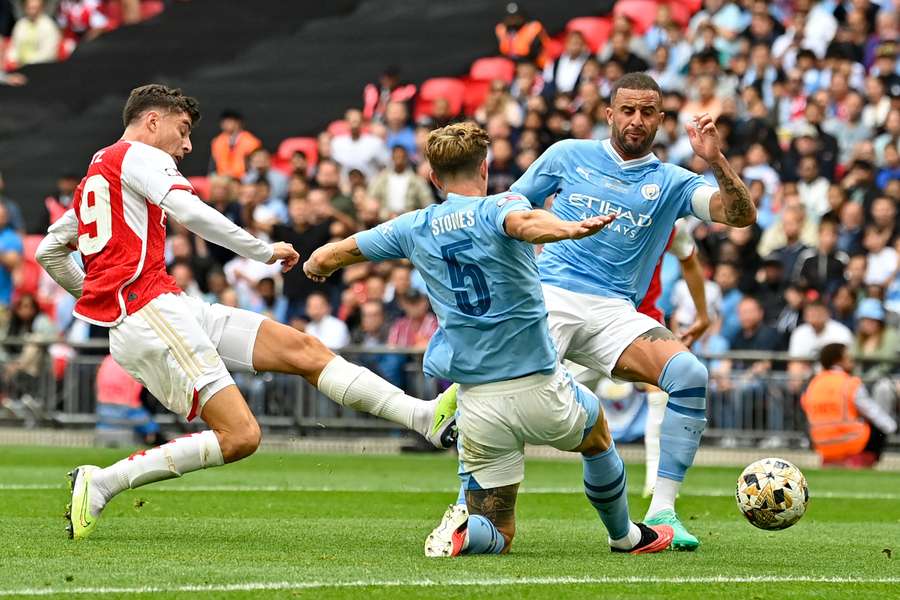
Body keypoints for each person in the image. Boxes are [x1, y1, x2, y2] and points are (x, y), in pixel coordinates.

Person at [34, 84, 457, 541]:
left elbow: (50, 251)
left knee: (302, 349)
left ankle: (423, 417)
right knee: (241, 437)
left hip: (165, 306)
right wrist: (261, 251)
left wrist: (102, 296)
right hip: (150, 311)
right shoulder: (138, 155)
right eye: (183, 129)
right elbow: (188, 210)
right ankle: (103, 482)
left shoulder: (98, 174)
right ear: (152, 121)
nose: (188, 145)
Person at [304, 121, 673, 556]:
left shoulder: (411, 225)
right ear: (485, 167)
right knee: (596, 433)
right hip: (539, 387)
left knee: (499, 532)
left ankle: (465, 533)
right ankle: (625, 537)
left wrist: (318, 264)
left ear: (433, 178)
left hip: (476, 403)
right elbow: (526, 222)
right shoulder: (503, 205)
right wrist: (568, 229)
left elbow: (335, 253)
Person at [477, 72, 756, 550]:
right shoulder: (567, 154)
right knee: (505, 399)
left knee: (689, 373)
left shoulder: (671, 181)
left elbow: (739, 215)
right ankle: (473, 506)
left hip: (614, 310)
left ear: (661, 120)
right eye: (627, 110)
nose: (636, 120)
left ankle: (664, 511)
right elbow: (505, 208)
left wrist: (716, 162)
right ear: (609, 114)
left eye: (648, 112)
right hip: (552, 293)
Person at [801, 343, 897, 467]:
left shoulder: (813, 384)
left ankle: (831, 461)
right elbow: (873, 412)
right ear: (838, 360)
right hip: (851, 442)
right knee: (880, 426)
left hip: (821, 444)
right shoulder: (849, 383)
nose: (852, 360)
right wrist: (893, 427)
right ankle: (862, 461)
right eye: (848, 357)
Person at [367, 145, 433, 219]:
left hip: (409, 219)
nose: (399, 160)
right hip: (385, 219)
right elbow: (371, 198)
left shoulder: (415, 180)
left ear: (406, 158)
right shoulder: (382, 178)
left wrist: (416, 215)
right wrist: (384, 214)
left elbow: (427, 201)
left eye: (402, 157)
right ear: (392, 158)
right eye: (396, 157)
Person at [210, 110, 261, 180]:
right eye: (224, 121)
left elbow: (254, 166)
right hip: (222, 177)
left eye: (229, 121)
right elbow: (214, 164)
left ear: (238, 123)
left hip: (244, 177)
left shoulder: (251, 141)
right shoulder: (217, 141)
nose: (225, 124)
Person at [7, 0, 61, 67]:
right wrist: (13, 60)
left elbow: (48, 54)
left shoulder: (49, 26)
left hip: (40, 67)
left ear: (41, 8)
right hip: (20, 66)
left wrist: (28, 63)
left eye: (35, 8)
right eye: (29, 8)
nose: (32, 11)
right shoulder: (20, 24)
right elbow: (14, 47)